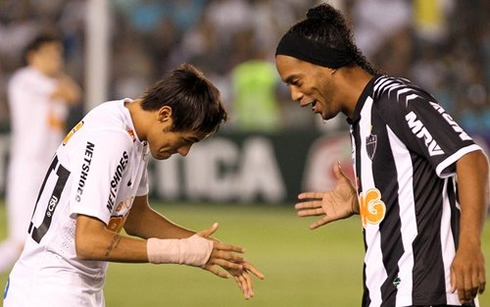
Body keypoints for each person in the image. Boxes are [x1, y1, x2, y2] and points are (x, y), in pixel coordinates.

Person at [275, 3, 488, 307]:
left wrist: (469, 247)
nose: (295, 96)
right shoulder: (361, 118)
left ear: (325, 65)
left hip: (427, 294)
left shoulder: (394, 99)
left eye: (296, 81)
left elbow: (470, 159)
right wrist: (363, 202)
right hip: (388, 296)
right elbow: (414, 198)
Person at [3, 63, 264, 307]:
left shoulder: (129, 129)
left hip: (67, 288)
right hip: (50, 290)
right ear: (165, 114)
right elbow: (88, 241)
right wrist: (181, 251)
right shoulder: (112, 140)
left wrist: (204, 247)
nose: (184, 151)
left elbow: (136, 217)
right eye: (186, 140)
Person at [0, 33, 81, 274]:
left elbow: (73, 94)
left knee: (52, 237)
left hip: (51, 170)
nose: (55, 59)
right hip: (28, 169)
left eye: (58, 53)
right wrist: (56, 74)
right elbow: (72, 94)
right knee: (21, 241)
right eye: (48, 53)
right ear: (32, 57)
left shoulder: (49, 83)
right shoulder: (25, 79)